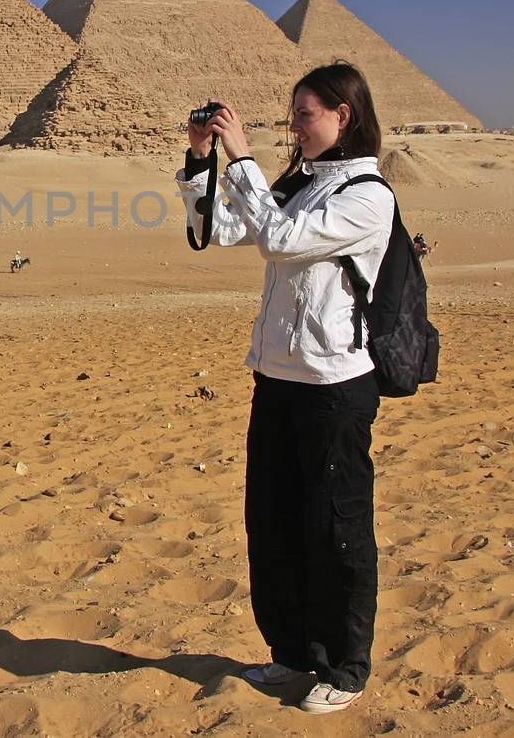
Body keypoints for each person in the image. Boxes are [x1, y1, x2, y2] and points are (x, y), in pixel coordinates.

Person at [175, 63, 395, 716]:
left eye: (304, 115)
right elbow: (215, 230)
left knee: (337, 527)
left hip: (334, 385)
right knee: (273, 522)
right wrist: (199, 158)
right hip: (276, 377)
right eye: (293, 115)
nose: (293, 126)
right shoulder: (300, 188)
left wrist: (242, 155)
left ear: (343, 116)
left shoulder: (367, 195)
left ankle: (345, 667)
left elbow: (279, 239)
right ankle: (294, 652)